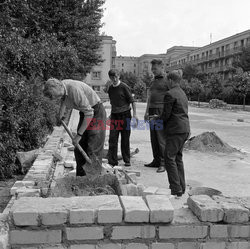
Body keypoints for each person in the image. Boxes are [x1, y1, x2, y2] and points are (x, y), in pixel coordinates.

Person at [43, 78, 106, 176]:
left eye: (53, 95)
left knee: (93, 147)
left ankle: (93, 180)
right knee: (79, 148)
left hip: (96, 112)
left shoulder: (73, 89)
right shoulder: (62, 87)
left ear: (57, 86)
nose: (54, 98)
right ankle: (80, 179)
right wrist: (61, 114)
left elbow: (89, 113)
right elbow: (63, 99)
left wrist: (79, 135)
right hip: (85, 112)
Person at [157, 71, 190, 197]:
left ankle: (176, 189)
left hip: (175, 130)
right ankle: (181, 186)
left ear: (170, 80)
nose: (166, 82)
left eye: (167, 80)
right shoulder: (182, 93)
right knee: (178, 158)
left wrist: (157, 119)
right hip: (184, 129)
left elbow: (166, 115)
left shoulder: (169, 94)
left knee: (169, 157)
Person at [106, 69, 138, 167]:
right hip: (115, 116)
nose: (114, 79)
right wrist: (111, 116)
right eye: (112, 77)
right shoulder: (110, 89)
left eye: (116, 76)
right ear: (110, 78)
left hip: (125, 115)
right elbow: (113, 103)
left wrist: (135, 115)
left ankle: (127, 160)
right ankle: (112, 161)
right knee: (112, 139)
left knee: (125, 139)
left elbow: (132, 101)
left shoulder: (124, 87)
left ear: (119, 76)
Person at [144, 59, 168, 173]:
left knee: (161, 138)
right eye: (152, 69)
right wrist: (146, 111)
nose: (153, 71)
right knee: (153, 137)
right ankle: (156, 160)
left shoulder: (167, 80)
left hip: (160, 110)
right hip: (152, 110)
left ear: (162, 67)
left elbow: (171, 98)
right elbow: (149, 97)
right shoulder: (153, 81)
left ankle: (163, 163)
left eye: (155, 69)